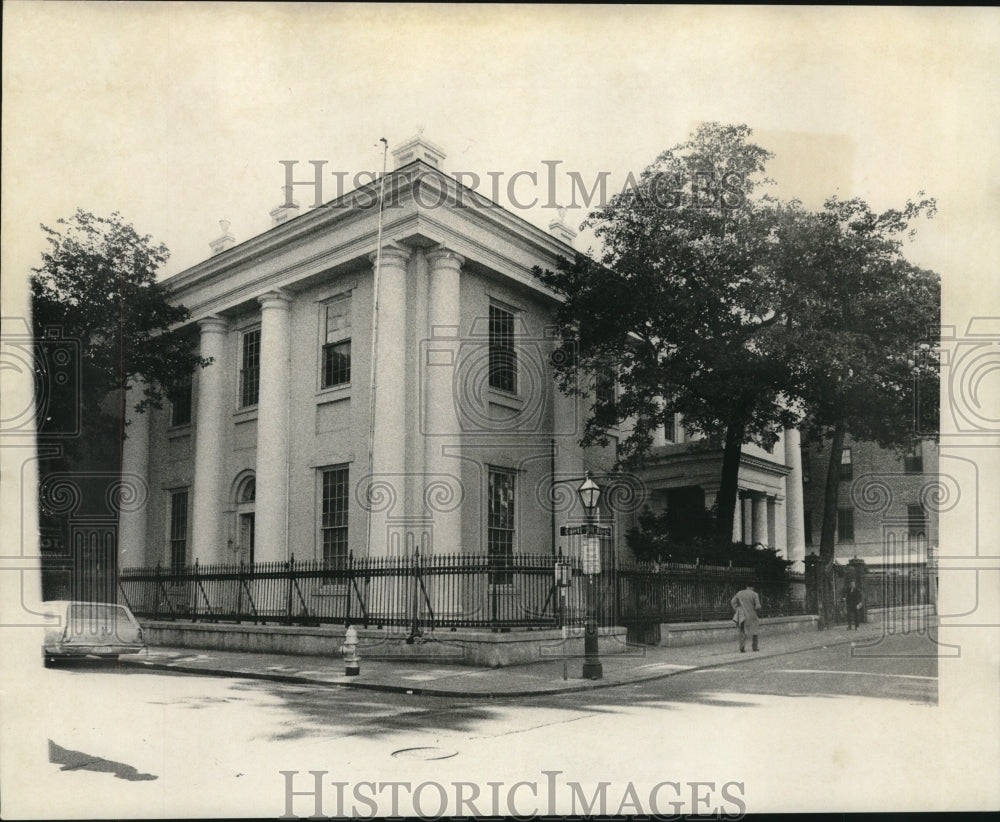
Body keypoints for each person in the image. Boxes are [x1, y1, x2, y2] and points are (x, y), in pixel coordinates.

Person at [731, 582, 761, 652]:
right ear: (752, 587)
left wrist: (737, 609)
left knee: (742, 630)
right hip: (752, 614)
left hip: (741, 614)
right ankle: (755, 647)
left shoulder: (739, 593)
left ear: (746, 586)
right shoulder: (755, 594)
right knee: (755, 630)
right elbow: (758, 606)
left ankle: (742, 647)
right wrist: (757, 611)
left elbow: (732, 601)